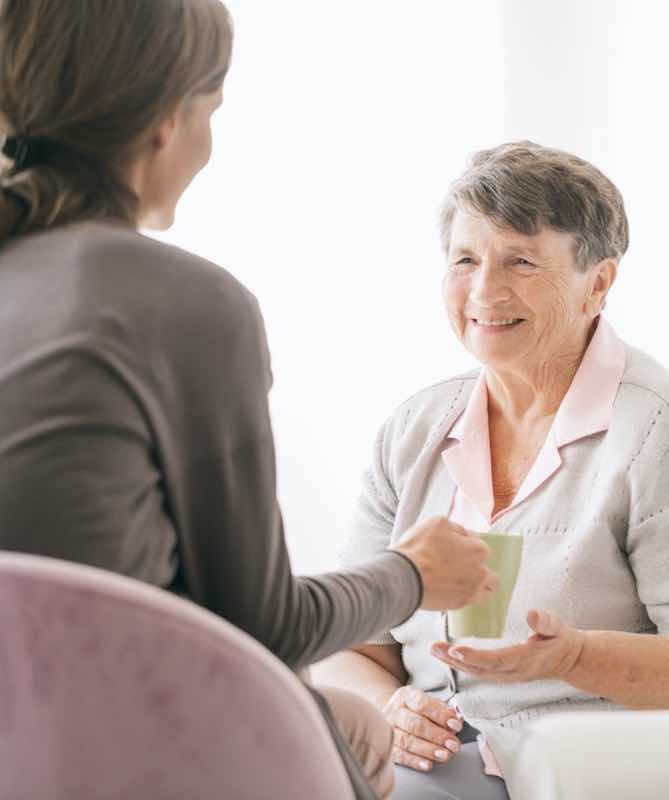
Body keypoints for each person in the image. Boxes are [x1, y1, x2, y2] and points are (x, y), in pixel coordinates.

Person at [0, 3, 495, 798]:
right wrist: (412, 574)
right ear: (169, 120)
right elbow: (263, 628)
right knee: (349, 728)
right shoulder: (186, 302)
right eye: (214, 112)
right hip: (114, 750)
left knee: (355, 721)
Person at [316, 141, 669, 800]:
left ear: (598, 283)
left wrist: (574, 658)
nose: (484, 291)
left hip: (584, 770)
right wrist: (390, 708)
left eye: (520, 261)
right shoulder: (413, 431)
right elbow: (351, 646)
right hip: (432, 764)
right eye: (464, 260)